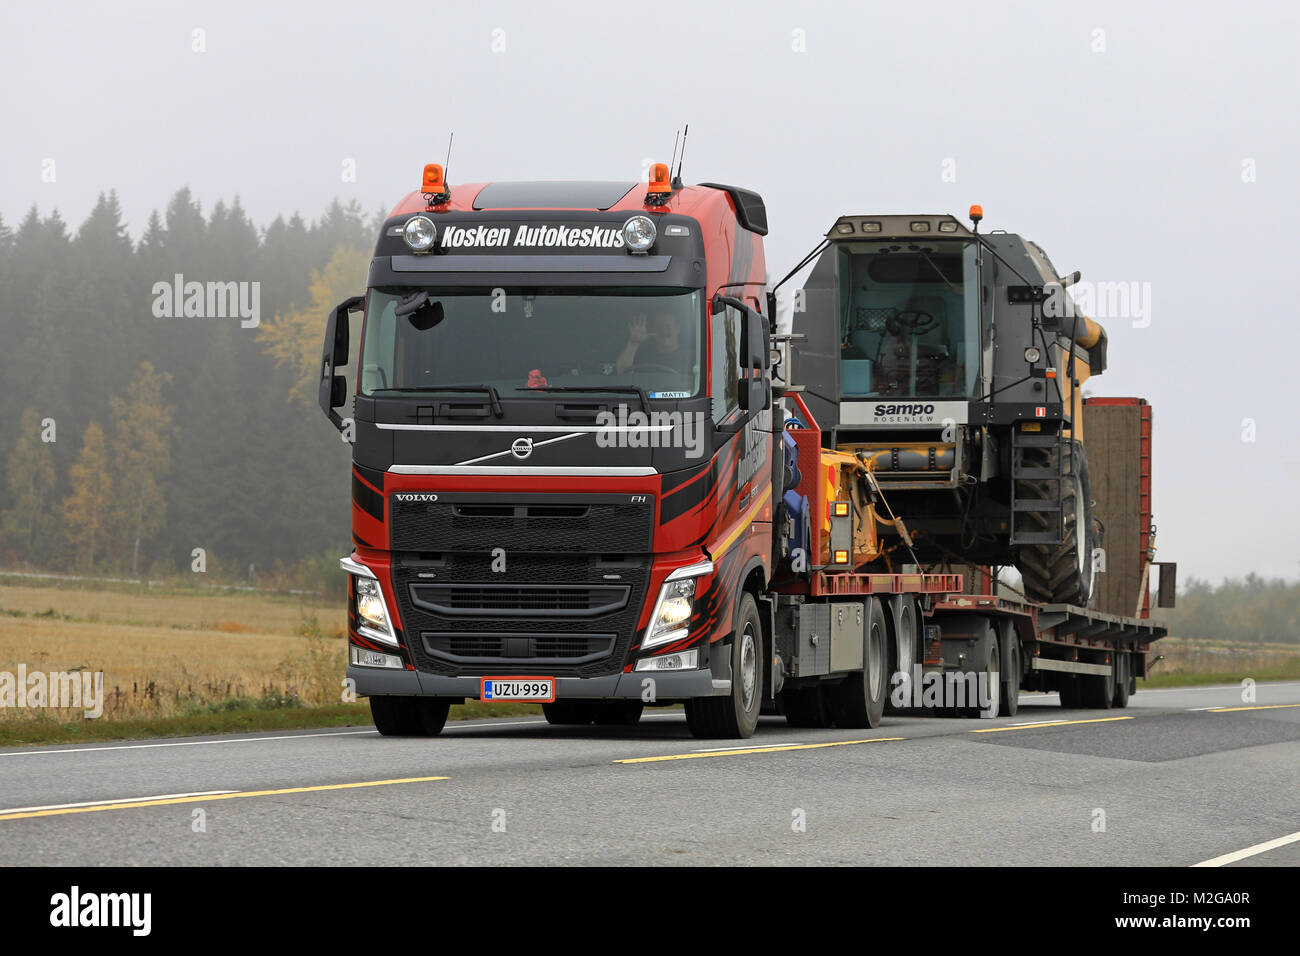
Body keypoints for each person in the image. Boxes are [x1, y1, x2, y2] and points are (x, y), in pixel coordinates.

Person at [615, 310, 688, 375]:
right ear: (653, 331)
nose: (664, 331)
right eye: (658, 327)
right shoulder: (644, 355)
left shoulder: (691, 357)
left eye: (667, 326)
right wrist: (633, 343)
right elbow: (621, 371)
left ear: (677, 328)